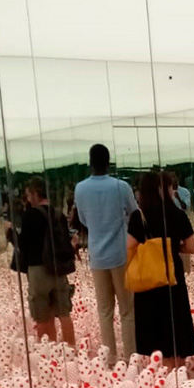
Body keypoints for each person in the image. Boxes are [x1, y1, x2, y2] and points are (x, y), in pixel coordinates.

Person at [74, 144, 137, 364]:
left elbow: (82, 219)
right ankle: (131, 357)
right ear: (109, 162)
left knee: (104, 311)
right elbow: (134, 213)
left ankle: (109, 359)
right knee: (127, 310)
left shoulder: (80, 189)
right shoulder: (121, 187)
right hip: (120, 254)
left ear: (90, 162)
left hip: (97, 255)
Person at [126, 172, 194, 367]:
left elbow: (129, 246)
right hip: (172, 275)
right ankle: (178, 367)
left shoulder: (138, 217)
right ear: (162, 189)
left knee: (153, 324)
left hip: (148, 279)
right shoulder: (177, 214)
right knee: (175, 321)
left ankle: (161, 368)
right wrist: (173, 247)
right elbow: (191, 247)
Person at [18, 177, 76, 346]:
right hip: (58, 269)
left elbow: (23, 245)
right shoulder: (59, 215)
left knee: (42, 317)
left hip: (38, 270)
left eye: (29, 195)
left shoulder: (30, 216)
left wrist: (10, 233)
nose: (28, 199)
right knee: (64, 313)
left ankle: (48, 351)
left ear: (35, 194)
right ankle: (71, 349)